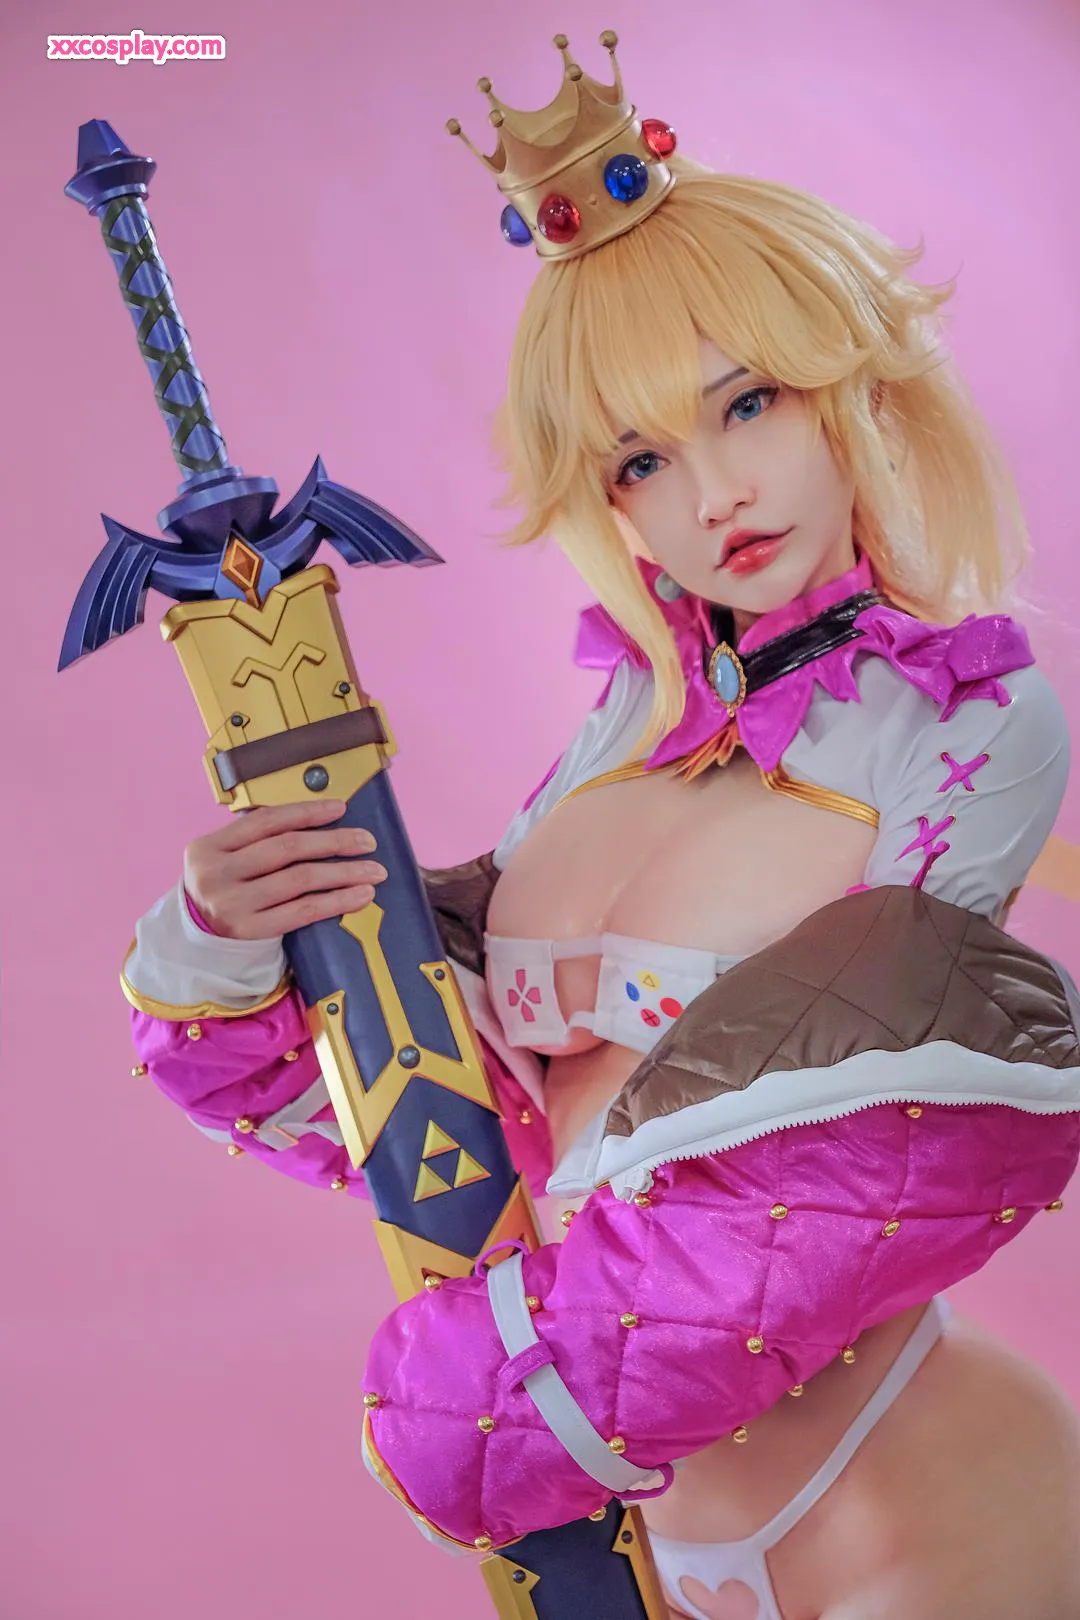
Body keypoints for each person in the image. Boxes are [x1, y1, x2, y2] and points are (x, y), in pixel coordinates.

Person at [121, 30, 1080, 1620]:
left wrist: (509, 1402)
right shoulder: (624, 727)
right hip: (641, 1523)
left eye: (749, 403)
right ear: (606, 498)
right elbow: (435, 1130)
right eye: (644, 457)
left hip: (911, 1491)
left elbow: (883, 1156)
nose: (717, 494)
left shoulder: (967, 716)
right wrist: (244, 943)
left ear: (849, 387)